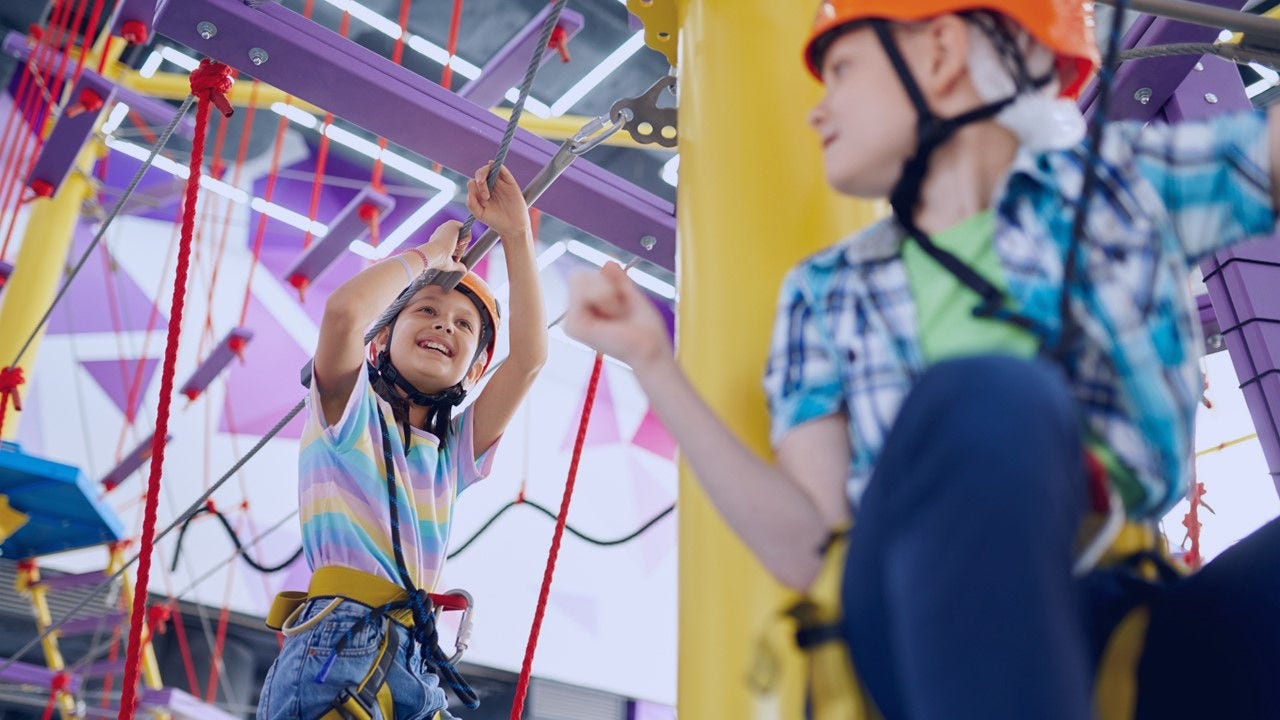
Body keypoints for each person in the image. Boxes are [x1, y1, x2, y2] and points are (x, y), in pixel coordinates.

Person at [564, 1, 1280, 718]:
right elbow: (810, 548)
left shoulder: (1112, 194)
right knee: (992, 394)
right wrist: (654, 362)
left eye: (840, 70)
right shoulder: (829, 292)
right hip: (907, 625)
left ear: (939, 54)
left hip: (1107, 614)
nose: (816, 111)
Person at [257, 162, 546, 720]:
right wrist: (429, 259)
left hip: (416, 655)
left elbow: (530, 358)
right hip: (338, 641)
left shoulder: (451, 455)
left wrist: (517, 236)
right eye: (428, 311)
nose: (446, 326)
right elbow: (344, 314)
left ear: (476, 367)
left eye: (465, 326)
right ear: (382, 337)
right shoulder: (347, 410)